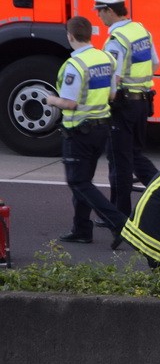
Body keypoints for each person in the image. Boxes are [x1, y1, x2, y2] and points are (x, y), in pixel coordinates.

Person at [44, 16, 127, 245]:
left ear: (70, 36)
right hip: (100, 128)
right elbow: (111, 95)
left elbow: (69, 103)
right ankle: (81, 229)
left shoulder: (75, 65)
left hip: (78, 131)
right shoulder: (105, 58)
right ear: (90, 34)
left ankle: (118, 222)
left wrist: (51, 99)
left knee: (78, 182)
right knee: (84, 180)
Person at [93, 0, 159, 241]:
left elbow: (114, 79)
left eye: (100, 12)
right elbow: (155, 64)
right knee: (131, 155)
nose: (99, 17)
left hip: (123, 106)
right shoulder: (140, 30)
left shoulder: (116, 40)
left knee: (121, 163)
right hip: (142, 101)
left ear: (110, 11)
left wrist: (102, 103)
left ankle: (121, 219)